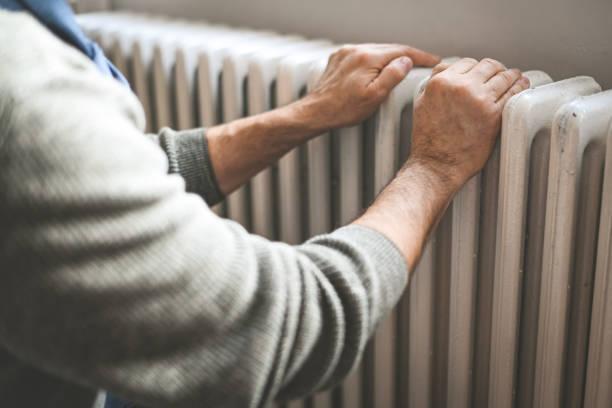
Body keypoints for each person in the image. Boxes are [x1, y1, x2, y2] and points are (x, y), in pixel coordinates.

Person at [0, 1, 530, 407]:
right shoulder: (19, 81)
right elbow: (274, 326)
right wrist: (435, 166)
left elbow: (91, 179)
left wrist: (306, 114)